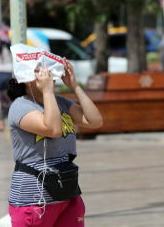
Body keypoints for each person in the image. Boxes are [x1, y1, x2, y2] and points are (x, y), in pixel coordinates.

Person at [6, 59, 103, 227]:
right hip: (34, 200)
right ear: (29, 78)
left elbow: (95, 121)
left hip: (67, 194)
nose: (49, 74)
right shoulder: (20, 106)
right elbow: (53, 129)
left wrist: (75, 87)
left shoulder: (60, 102)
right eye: (42, 71)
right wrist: (48, 93)